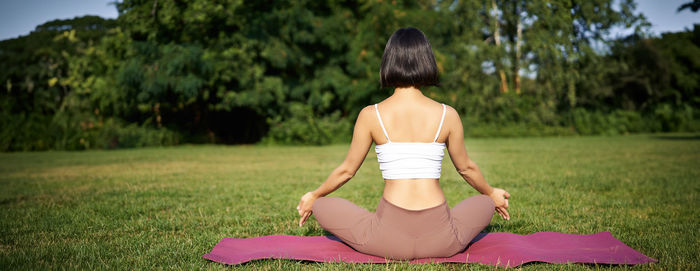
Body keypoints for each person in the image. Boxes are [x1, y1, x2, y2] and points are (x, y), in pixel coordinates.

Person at [296, 27, 511, 260]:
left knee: (322, 206)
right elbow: (466, 168)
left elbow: (347, 171)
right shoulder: (447, 114)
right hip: (442, 240)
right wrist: (491, 193)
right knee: (484, 202)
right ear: (427, 61)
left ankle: (331, 208)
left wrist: (314, 196)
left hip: (386, 240)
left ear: (388, 62)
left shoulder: (371, 114)